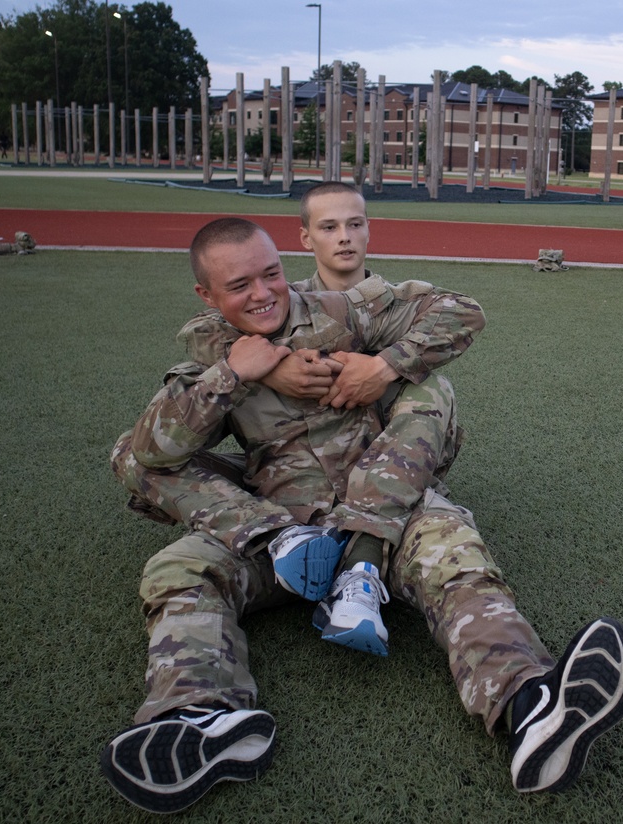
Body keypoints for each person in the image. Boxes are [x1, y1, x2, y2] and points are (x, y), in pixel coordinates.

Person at [101, 217, 623, 814]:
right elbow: (153, 451)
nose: (262, 293)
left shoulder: (342, 313)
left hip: (387, 509)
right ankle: (203, 718)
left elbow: (460, 311)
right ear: (207, 296)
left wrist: (383, 365)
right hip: (281, 538)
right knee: (174, 553)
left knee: (449, 545)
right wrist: (238, 371)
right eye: (239, 286)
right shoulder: (212, 366)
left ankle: (529, 706)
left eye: (271, 273)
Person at [112, 181, 463, 656]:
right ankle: (280, 539)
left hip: (378, 470)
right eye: (329, 226)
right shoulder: (263, 315)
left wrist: (382, 368)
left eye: (354, 223)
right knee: (133, 452)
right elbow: (202, 331)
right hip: (283, 488)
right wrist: (261, 367)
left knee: (432, 389)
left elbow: (459, 311)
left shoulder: (357, 307)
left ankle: (360, 559)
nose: (344, 237)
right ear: (305, 237)